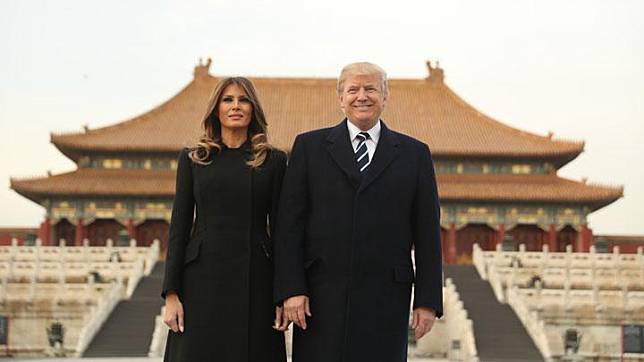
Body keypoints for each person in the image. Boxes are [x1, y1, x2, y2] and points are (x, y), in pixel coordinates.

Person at [273, 62, 443, 362]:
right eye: (353, 90)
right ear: (340, 98)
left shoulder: (414, 154)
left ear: (385, 96)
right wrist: (291, 289)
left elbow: (427, 232)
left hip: (386, 296)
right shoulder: (309, 148)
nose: (361, 96)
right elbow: (289, 227)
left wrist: (427, 300)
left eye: (370, 89)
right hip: (320, 297)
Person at [161, 77, 287, 362]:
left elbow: (282, 233)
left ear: (254, 109)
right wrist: (171, 294)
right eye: (228, 100)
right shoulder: (194, 159)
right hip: (201, 283)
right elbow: (179, 228)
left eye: (244, 100)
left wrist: (283, 294)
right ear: (215, 109)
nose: (236, 106)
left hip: (256, 280)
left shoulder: (273, 160)